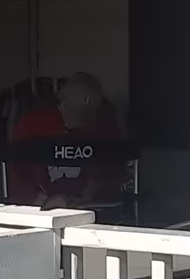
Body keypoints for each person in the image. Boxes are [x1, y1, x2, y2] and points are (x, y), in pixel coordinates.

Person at [7, 71, 126, 208]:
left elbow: (117, 172)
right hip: (41, 208)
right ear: (61, 100)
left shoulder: (105, 125)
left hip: (91, 208)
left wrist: (97, 189)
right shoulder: (32, 124)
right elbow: (16, 176)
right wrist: (40, 201)